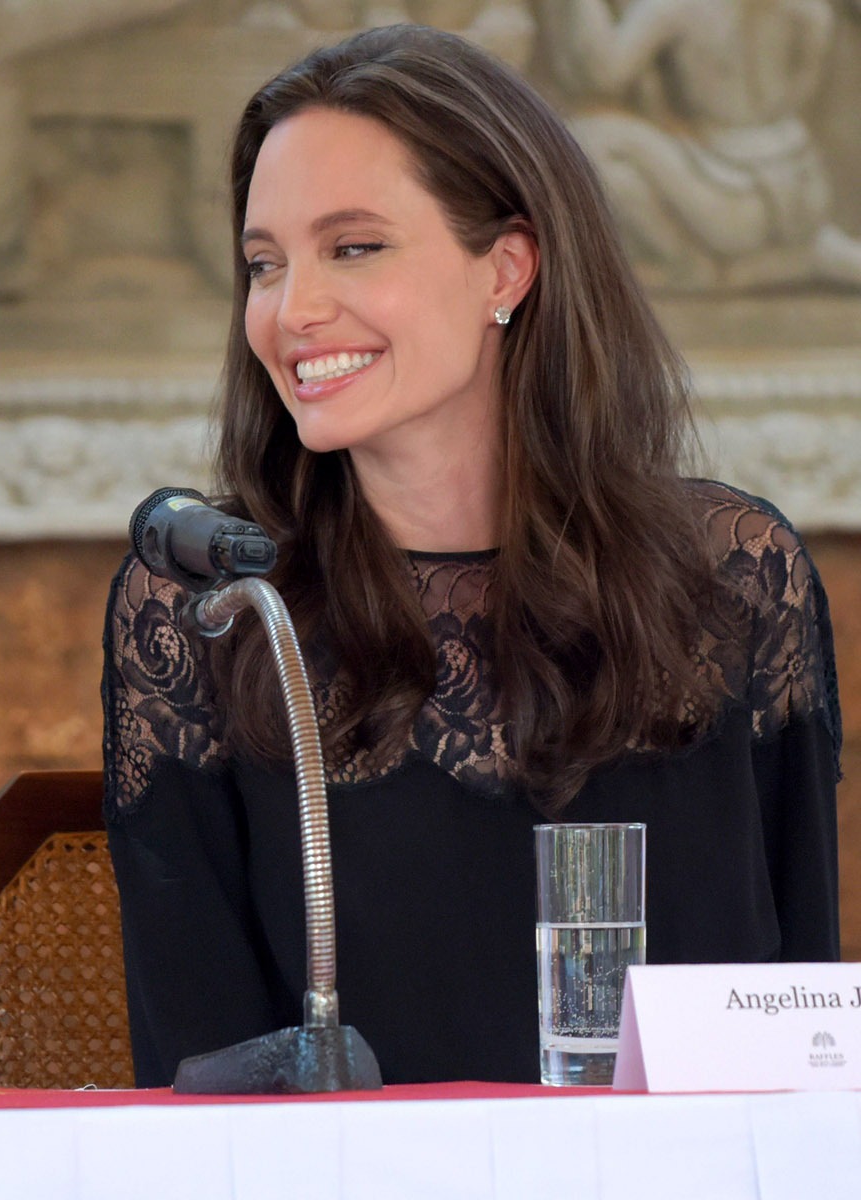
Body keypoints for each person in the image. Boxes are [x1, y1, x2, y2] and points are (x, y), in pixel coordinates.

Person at [102, 24, 841, 1087]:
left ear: (506, 266)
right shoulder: (210, 609)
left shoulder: (737, 580)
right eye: (264, 263)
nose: (291, 310)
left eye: (353, 246)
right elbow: (201, 1073)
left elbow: (798, 1036)